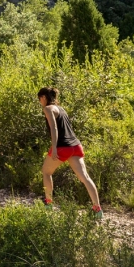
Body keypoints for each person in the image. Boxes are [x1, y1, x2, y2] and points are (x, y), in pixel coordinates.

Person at [37, 87, 102, 218]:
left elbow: (54, 128)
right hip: (75, 145)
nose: (40, 102)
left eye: (39, 99)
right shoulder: (61, 109)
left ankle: (48, 204)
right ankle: (97, 209)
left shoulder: (48, 109)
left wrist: (54, 147)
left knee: (46, 172)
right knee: (85, 177)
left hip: (62, 146)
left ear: (43, 97)